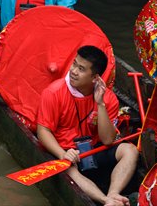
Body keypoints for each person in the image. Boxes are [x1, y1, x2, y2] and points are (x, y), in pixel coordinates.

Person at [37, 46, 138, 206]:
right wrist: (62, 154)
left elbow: (107, 140)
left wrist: (100, 104)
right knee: (68, 169)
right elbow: (43, 131)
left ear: (94, 78)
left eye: (81, 69)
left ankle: (113, 194)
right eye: (74, 64)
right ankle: (106, 200)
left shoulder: (108, 98)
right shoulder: (53, 92)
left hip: (95, 149)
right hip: (69, 153)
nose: (74, 71)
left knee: (130, 150)